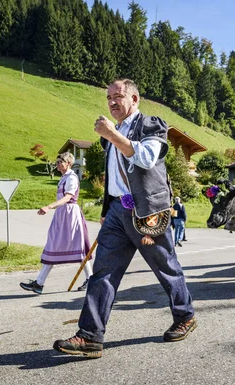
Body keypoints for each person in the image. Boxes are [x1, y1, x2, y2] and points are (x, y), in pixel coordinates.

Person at [53, 79, 196, 358]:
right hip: (118, 212)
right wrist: (107, 211)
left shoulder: (152, 125)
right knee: (103, 273)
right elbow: (113, 179)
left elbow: (144, 158)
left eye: (118, 96)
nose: (112, 102)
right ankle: (90, 336)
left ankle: (185, 316)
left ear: (135, 99)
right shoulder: (112, 135)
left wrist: (110, 134)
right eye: (108, 98)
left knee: (165, 266)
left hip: (148, 212)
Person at [20, 152, 93, 294]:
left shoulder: (71, 177)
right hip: (63, 214)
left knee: (76, 246)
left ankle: (40, 283)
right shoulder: (64, 178)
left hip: (71, 214)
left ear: (69, 163)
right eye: (57, 162)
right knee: (54, 246)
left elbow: (68, 197)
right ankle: (39, 283)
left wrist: (49, 206)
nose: (58, 164)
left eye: (61, 162)